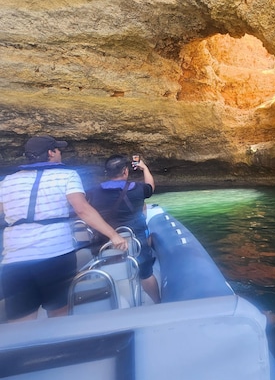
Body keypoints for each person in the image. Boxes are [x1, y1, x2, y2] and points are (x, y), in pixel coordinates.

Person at [0, 135, 128, 322]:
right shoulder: (67, 175)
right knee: (59, 314)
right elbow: (82, 209)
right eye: (58, 149)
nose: (60, 153)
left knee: (21, 321)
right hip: (55, 252)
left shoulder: (7, 181)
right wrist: (113, 235)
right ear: (51, 153)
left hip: (14, 258)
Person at [87, 154, 160, 304]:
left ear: (107, 173)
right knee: (146, 274)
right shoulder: (138, 189)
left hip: (106, 242)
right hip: (135, 241)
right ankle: (158, 303)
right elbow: (150, 188)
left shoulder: (93, 192)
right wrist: (144, 168)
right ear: (126, 171)